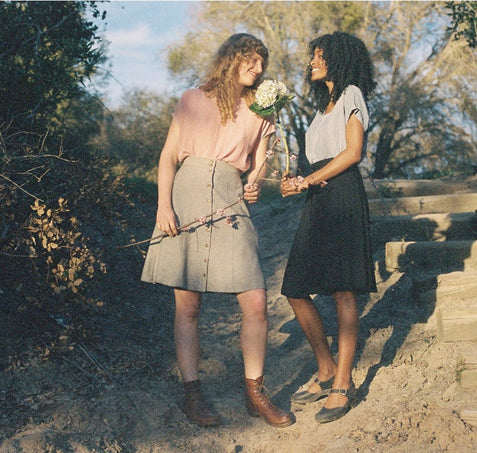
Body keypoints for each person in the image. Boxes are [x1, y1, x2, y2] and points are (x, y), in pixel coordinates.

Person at [141, 33, 294, 428]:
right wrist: (163, 206)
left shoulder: (263, 109)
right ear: (232, 58)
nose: (258, 69)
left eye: (263, 63)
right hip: (187, 197)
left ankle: (254, 393)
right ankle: (193, 394)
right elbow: (168, 156)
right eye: (252, 60)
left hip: (230, 201)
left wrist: (255, 182)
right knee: (188, 306)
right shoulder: (193, 99)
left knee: (256, 301)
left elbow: (259, 162)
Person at [280, 31, 377, 424]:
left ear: (339, 59)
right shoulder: (323, 108)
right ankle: (324, 368)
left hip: (343, 197)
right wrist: (296, 180)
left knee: (343, 289)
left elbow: (353, 153)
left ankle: (343, 382)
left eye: (319, 56)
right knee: (295, 288)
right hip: (318, 198)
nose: (312, 62)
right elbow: (316, 163)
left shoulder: (352, 93)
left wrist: (310, 179)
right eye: (312, 56)